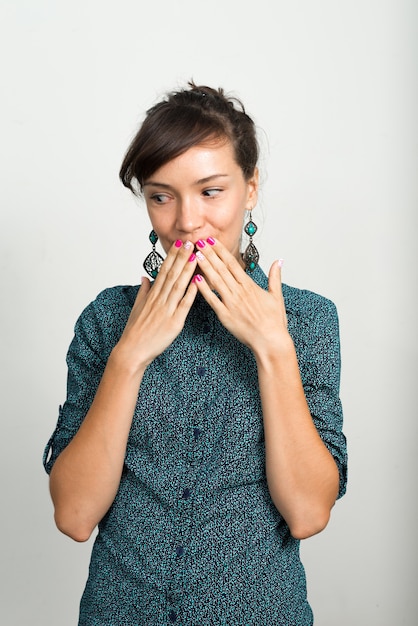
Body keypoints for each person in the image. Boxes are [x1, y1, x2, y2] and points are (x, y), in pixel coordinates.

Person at [43, 82, 347, 625]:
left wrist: (274, 350)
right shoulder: (107, 320)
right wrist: (128, 356)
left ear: (250, 189)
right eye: (162, 195)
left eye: (211, 191)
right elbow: (74, 514)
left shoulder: (306, 320)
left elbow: (307, 513)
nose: (186, 221)